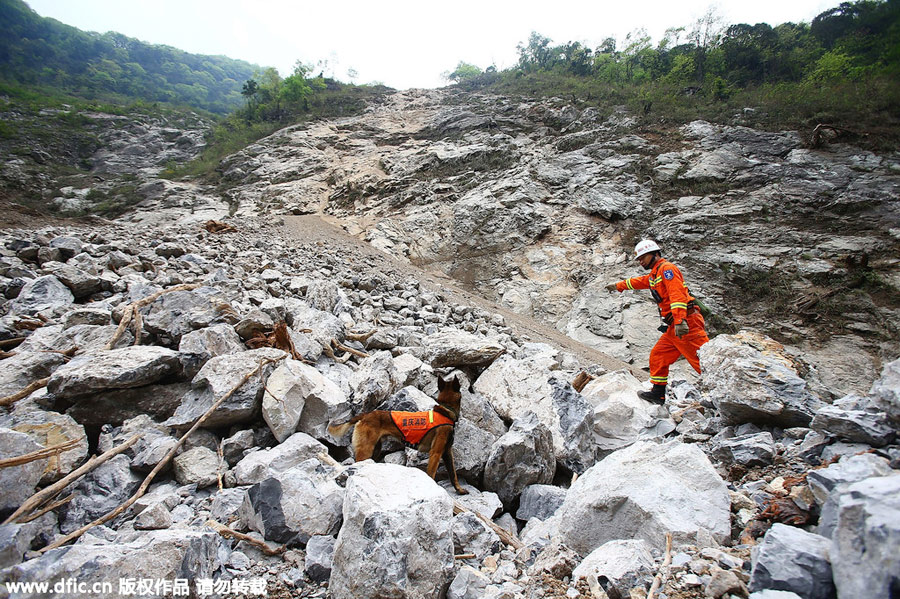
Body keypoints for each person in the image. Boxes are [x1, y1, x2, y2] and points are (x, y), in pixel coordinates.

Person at [606, 239, 709, 404]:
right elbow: (640, 281)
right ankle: (658, 394)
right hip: (674, 326)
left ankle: (724, 391)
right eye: (639, 259)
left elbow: (677, 295)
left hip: (686, 323)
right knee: (658, 355)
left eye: (643, 258)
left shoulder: (667, 270)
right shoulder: (656, 274)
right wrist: (618, 286)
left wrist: (680, 320)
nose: (641, 262)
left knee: (701, 360)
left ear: (654, 254)